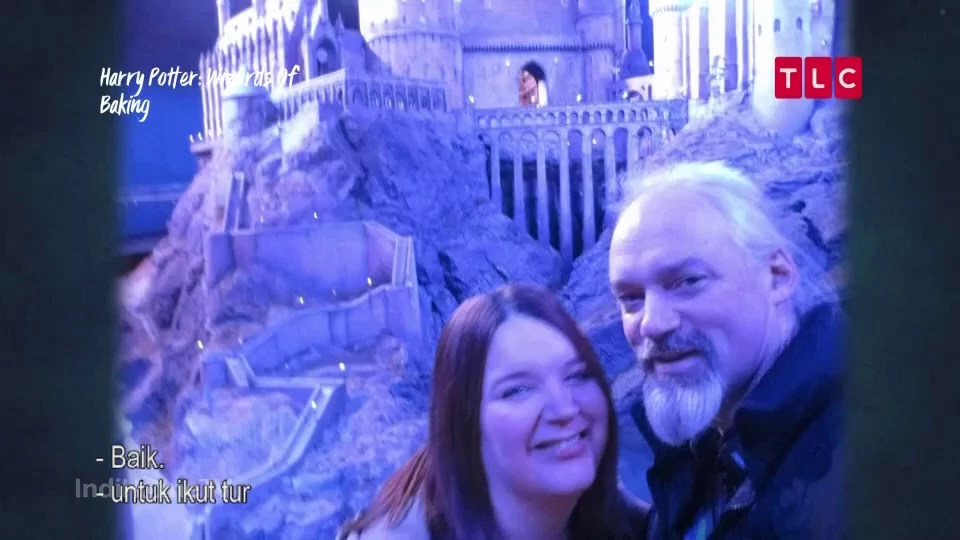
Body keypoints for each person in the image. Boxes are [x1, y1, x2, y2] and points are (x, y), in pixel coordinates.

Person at [608, 161, 844, 538]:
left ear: (777, 276)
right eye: (631, 298)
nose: (651, 323)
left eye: (688, 281)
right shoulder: (709, 443)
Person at [337, 283, 649, 540]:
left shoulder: (622, 517)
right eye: (518, 390)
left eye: (576, 375)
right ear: (465, 424)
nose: (565, 408)